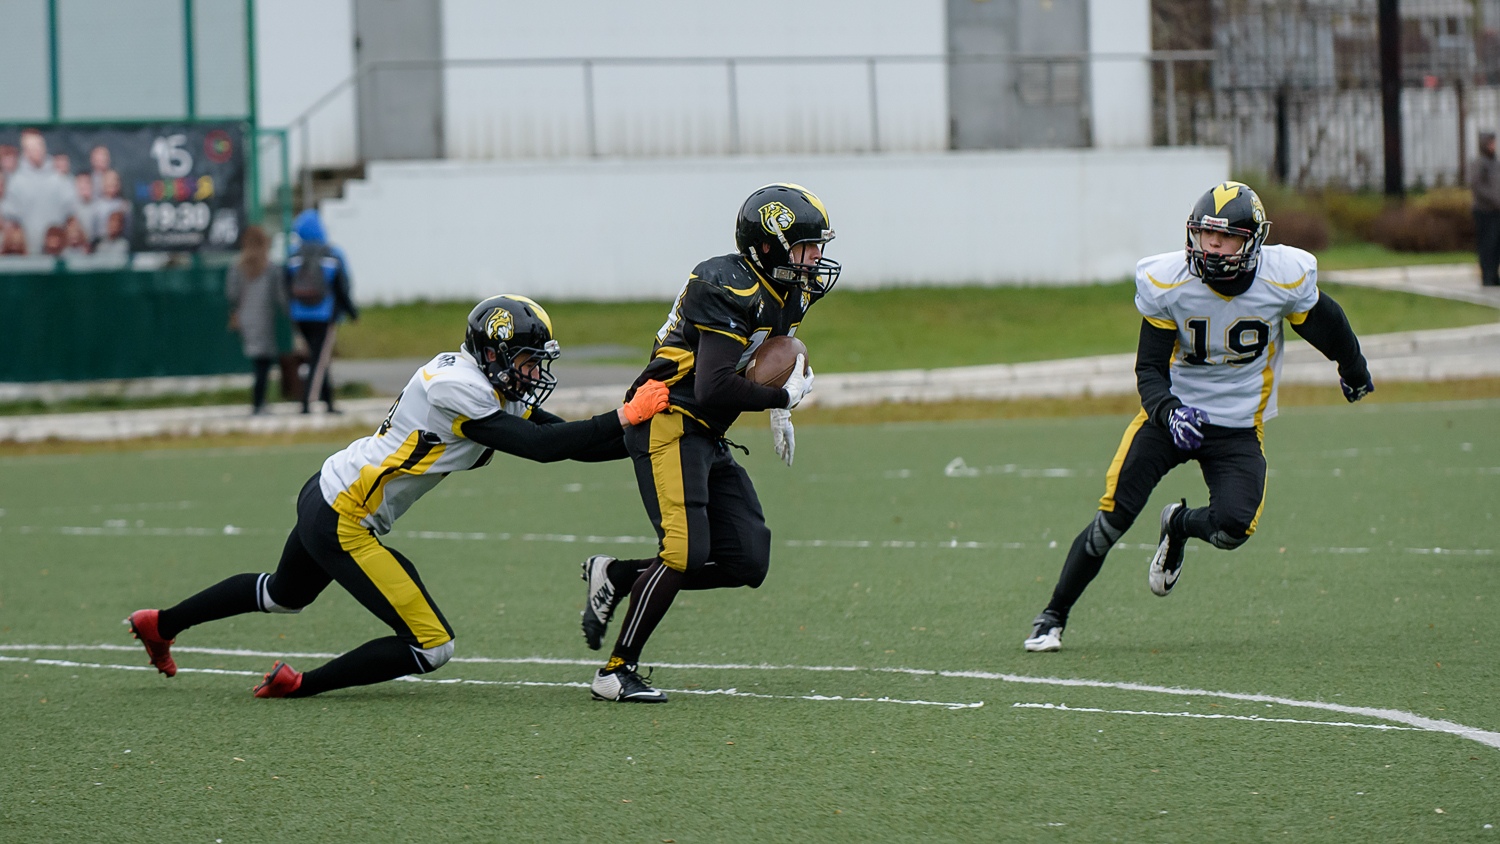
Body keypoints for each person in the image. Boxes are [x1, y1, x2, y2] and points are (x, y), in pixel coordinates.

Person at [126, 295, 672, 698]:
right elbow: (542, 447)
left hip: (329, 490)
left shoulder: (482, 380)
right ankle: (300, 685)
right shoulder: (461, 389)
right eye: (527, 360)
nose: (533, 372)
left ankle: (161, 623)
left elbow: (571, 441)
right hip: (345, 516)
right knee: (431, 645)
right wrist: (624, 415)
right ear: (494, 353)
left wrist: (651, 440)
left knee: (283, 593)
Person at [1021, 181, 1375, 653]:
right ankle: (1052, 616)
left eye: (1226, 236)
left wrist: (1353, 369)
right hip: (1170, 418)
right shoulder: (1170, 282)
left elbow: (1327, 324)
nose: (1213, 245)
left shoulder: (1283, 278)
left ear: (1253, 242)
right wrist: (1169, 413)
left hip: (1237, 424)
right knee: (1113, 518)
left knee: (1233, 528)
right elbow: (1149, 369)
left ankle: (1179, 524)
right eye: (1206, 233)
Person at [577, 183, 836, 703]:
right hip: (668, 417)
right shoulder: (725, 283)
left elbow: (772, 353)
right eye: (806, 247)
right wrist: (779, 397)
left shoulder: (789, 291)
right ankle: (616, 670)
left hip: (705, 430)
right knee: (684, 551)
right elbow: (713, 385)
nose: (815, 258)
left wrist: (779, 404)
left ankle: (618, 575)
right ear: (769, 246)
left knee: (747, 558)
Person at [284, 209, 357, 414]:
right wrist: (351, 312)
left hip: (299, 315)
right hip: (324, 315)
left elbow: (285, 285)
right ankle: (307, 402)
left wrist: (290, 310)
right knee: (319, 359)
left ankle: (328, 402)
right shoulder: (332, 254)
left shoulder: (293, 254)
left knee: (318, 358)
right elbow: (342, 287)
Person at [226, 226, 286, 414]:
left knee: (257, 361)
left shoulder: (237, 268)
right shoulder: (270, 268)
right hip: (264, 318)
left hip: (246, 318)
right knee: (263, 362)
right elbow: (280, 296)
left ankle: (259, 401)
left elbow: (231, 293)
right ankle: (259, 402)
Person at [1469, 131, 1500, 288]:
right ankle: (1487, 275)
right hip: (1484, 211)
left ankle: (1494, 274)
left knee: (1496, 245)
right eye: (1490, 143)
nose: (1493, 146)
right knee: (1487, 244)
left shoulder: (1495, 163)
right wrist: (1495, 200)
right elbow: (1478, 187)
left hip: (1496, 211)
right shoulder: (1479, 164)